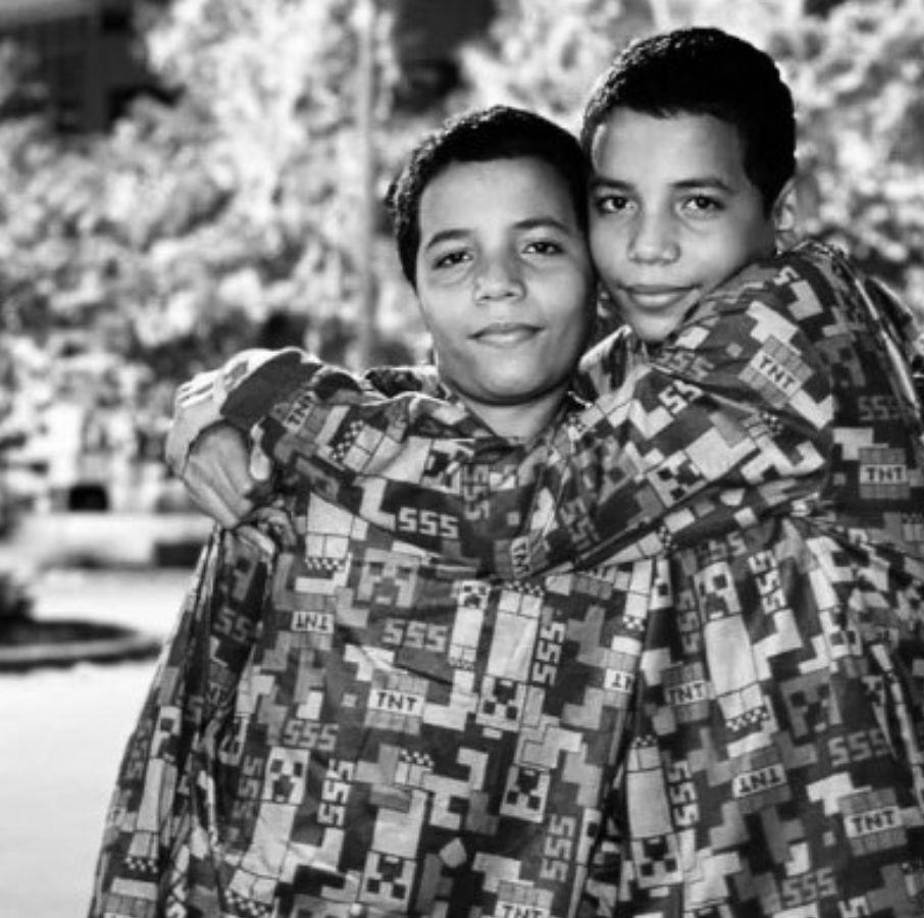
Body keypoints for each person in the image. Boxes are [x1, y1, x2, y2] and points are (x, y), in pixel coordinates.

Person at [166, 27, 924, 917]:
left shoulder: (793, 335)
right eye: (617, 203)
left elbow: (515, 507)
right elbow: (473, 415)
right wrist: (233, 388)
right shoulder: (652, 361)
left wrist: (277, 397)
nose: (649, 246)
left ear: (781, 213)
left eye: (698, 203)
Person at [90, 106, 669, 918]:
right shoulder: (299, 471)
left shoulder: (648, 490)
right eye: (454, 256)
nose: (498, 283)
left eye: (540, 246)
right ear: (417, 293)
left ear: (599, 271)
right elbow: (177, 733)